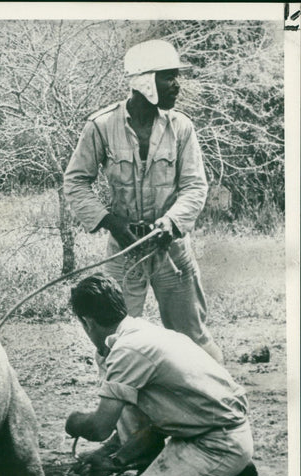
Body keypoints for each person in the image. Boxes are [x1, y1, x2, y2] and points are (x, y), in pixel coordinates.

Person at [63, 39, 224, 365]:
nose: (177, 85)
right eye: (169, 76)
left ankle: (215, 405)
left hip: (172, 251)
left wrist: (171, 223)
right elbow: (75, 181)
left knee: (192, 338)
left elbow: (195, 186)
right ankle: (121, 414)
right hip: (123, 252)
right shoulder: (101, 126)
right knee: (111, 342)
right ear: (145, 81)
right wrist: (112, 223)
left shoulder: (181, 127)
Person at [64, 274, 262, 476]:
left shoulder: (127, 351)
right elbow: (149, 425)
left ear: (88, 323)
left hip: (219, 444)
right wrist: (113, 460)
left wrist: (73, 423)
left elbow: (99, 428)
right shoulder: (140, 331)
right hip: (202, 432)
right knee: (126, 401)